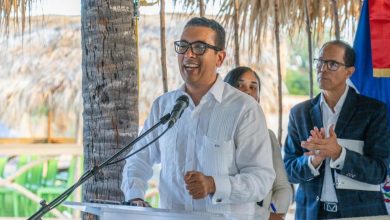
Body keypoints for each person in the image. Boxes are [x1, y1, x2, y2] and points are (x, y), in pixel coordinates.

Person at [121, 17, 275, 218]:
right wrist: (135, 197)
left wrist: (214, 185)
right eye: (183, 46)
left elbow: (261, 179)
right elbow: (138, 159)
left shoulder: (244, 109)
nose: (188, 54)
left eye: (199, 47)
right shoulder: (164, 106)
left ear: (219, 58)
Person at [284, 40, 390, 219]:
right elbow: (288, 170)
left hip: (359, 214)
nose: (322, 69)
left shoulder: (373, 111)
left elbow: (379, 172)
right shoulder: (299, 113)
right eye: (320, 61)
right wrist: (313, 161)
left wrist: (339, 154)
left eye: (332, 64)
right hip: (311, 213)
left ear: (349, 72)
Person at [225, 66, 292, 220]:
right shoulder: (218, 137)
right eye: (239, 85)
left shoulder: (268, 136)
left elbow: (282, 187)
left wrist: (274, 213)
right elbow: (223, 190)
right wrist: (264, 216)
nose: (247, 91)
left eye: (253, 87)